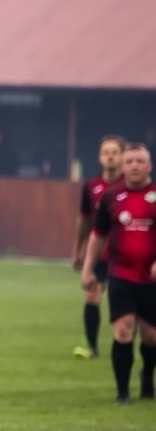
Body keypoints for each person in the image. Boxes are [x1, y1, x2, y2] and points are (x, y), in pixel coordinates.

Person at [81, 144, 156, 405]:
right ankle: (122, 393)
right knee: (123, 331)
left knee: (151, 336)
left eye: (140, 161)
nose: (134, 166)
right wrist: (88, 268)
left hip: (152, 279)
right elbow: (98, 235)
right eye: (130, 161)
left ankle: (148, 376)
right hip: (121, 274)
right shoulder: (111, 198)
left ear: (150, 166)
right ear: (123, 168)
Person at [72, 135, 124, 359]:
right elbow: (84, 219)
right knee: (92, 295)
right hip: (100, 255)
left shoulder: (130, 186)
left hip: (124, 255)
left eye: (114, 152)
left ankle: (129, 344)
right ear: (99, 157)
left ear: (122, 156)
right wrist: (78, 249)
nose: (110, 156)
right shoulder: (91, 186)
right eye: (106, 152)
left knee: (126, 304)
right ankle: (91, 346)